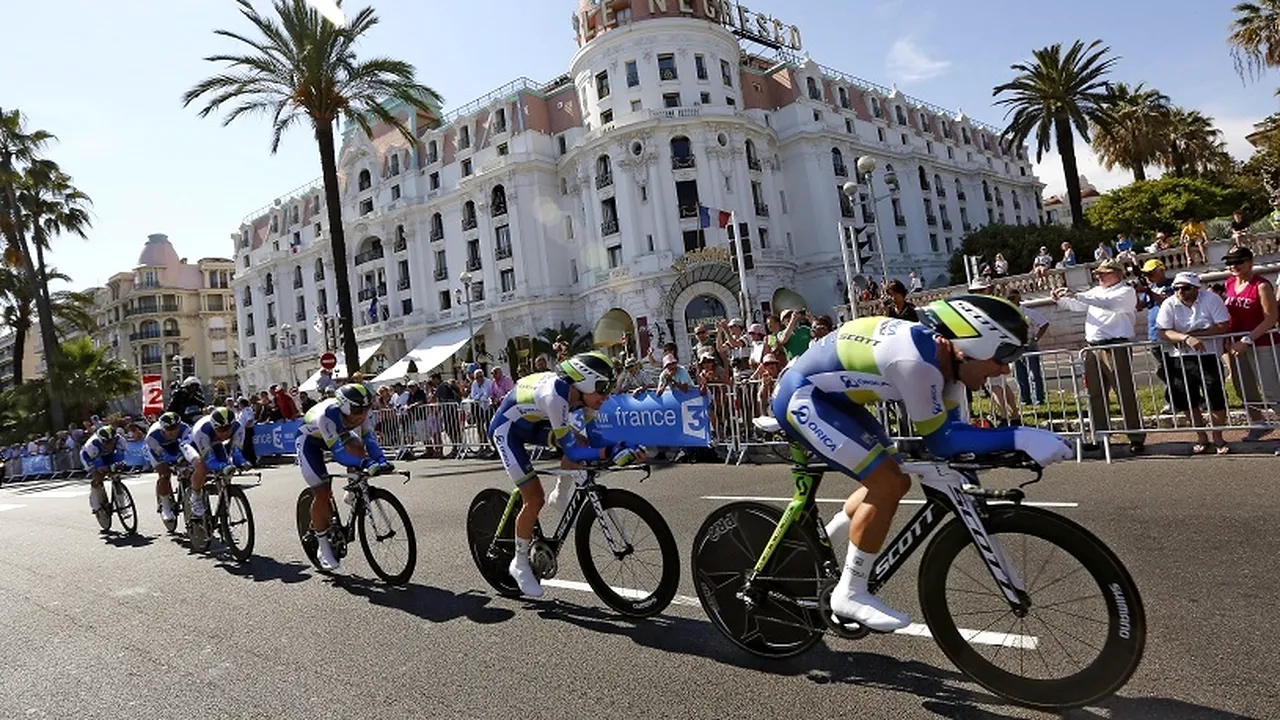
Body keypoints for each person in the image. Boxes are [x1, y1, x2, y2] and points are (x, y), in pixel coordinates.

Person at [774, 295, 1072, 632]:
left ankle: (818, 543)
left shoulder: (946, 365)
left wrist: (1010, 446)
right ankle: (850, 592)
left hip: (837, 400)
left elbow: (954, 437)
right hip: (803, 397)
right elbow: (942, 441)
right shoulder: (917, 364)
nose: (1005, 369)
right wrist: (1019, 437)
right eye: (1004, 357)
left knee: (897, 481)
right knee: (885, 483)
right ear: (969, 348)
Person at [487, 352, 645, 597]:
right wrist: (610, 451)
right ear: (584, 382)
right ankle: (519, 563)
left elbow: (593, 440)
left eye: (610, 387)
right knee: (534, 498)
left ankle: (560, 494)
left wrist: (624, 446)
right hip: (508, 431)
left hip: (536, 423)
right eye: (603, 388)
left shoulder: (583, 397)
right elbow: (573, 449)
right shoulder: (555, 397)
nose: (607, 395)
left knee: (581, 444)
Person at [1052, 259, 1146, 454]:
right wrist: (1061, 299)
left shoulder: (1126, 291)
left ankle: (1135, 436)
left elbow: (1108, 304)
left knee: (1124, 391)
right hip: (1093, 347)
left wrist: (1077, 295)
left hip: (1115, 345)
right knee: (1095, 393)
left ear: (1118, 274)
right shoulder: (1095, 291)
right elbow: (1078, 305)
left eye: (1104, 273)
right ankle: (1100, 435)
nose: (1100, 276)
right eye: (1098, 274)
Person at [296, 384, 393, 571]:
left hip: (336, 434)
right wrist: (365, 464)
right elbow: (339, 455)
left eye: (365, 410)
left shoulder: (361, 412)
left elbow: (369, 440)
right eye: (357, 410)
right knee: (322, 492)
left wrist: (381, 459)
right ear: (345, 407)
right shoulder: (327, 416)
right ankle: (322, 546)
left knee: (357, 444)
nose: (362, 415)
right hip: (310, 442)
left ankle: (352, 491)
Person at [1156, 272, 1231, 455]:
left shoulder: (1211, 299)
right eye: (1176, 288)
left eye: (1185, 288)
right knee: (1186, 398)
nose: (1180, 291)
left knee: (1215, 394)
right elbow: (1163, 331)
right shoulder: (1169, 303)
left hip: (1209, 354)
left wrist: (1198, 336)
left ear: (1197, 288)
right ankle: (1201, 436)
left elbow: (1223, 325)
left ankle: (1218, 437)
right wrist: (1186, 337)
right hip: (1179, 356)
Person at [1222, 246, 1280, 452]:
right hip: (1236, 345)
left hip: (1262, 343)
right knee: (1243, 388)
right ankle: (1258, 424)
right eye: (1229, 262)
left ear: (1249, 262)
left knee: (1272, 389)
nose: (1233, 266)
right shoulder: (1228, 283)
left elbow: (1271, 319)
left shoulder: (1262, 286)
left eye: (1238, 262)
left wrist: (1247, 339)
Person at [182, 408, 250, 541]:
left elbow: (237, 453)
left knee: (227, 474)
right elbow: (210, 461)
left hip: (215, 443)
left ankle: (224, 513)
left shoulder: (238, 427)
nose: (225, 433)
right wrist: (223, 466)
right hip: (193, 444)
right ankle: (195, 496)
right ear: (214, 426)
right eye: (221, 430)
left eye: (228, 429)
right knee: (202, 467)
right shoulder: (203, 430)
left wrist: (243, 462)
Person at [144, 411, 192, 524]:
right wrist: (173, 463)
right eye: (168, 429)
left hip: (175, 446)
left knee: (189, 469)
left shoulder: (185, 428)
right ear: (162, 428)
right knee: (165, 474)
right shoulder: (152, 436)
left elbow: (189, 446)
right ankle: (165, 507)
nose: (172, 431)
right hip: (158, 450)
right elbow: (162, 455)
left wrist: (184, 459)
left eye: (175, 428)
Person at [1008, 290, 1050, 405]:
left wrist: (1036, 338)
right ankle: (1024, 399)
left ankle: (1038, 399)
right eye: (1009, 298)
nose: (1011, 300)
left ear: (1018, 298)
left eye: (1013, 297)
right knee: (1019, 374)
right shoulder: (1007, 314)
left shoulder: (1029, 313)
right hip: (1015, 347)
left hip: (1029, 346)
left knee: (1034, 374)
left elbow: (1044, 323)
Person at [80, 425, 129, 515]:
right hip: (90, 457)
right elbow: (100, 468)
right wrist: (106, 468)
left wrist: (118, 465)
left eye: (112, 441)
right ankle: (95, 503)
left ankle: (122, 507)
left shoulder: (120, 440)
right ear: (101, 440)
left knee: (116, 476)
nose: (110, 444)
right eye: (106, 442)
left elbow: (120, 457)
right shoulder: (93, 445)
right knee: (99, 476)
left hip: (108, 455)